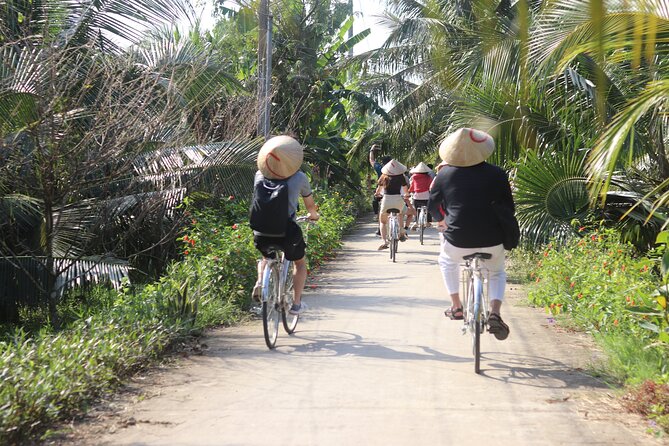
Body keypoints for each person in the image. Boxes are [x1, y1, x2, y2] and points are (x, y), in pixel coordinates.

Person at [428, 128, 514, 340]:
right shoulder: (497, 173)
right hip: (493, 239)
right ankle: (495, 313)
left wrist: (443, 221)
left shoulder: (444, 174)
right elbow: (509, 207)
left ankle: (456, 306)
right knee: (496, 272)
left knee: (447, 261)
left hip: (458, 240)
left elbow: (433, 206)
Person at [250, 135, 319, 315]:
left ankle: (260, 282)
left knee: (266, 258)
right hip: (287, 232)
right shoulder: (299, 178)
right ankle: (296, 305)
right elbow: (310, 206)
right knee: (300, 263)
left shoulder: (258, 175)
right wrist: (313, 215)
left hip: (260, 231)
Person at [375, 159, 414, 250]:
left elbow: (378, 191)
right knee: (400, 213)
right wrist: (407, 195)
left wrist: (377, 194)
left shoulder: (383, 177)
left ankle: (384, 241)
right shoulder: (401, 177)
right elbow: (405, 191)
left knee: (383, 222)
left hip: (386, 201)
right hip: (398, 201)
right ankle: (401, 231)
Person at [408, 162, 433, 229]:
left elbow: (412, 187)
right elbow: (430, 187)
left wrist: (409, 192)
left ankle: (416, 222)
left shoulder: (414, 177)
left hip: (417, 196)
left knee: (416, 209)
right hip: (426, 196)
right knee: (429, 209)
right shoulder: (428, 177)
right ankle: (428, 222)